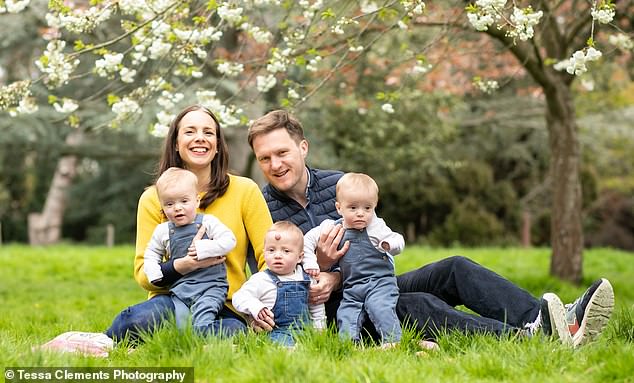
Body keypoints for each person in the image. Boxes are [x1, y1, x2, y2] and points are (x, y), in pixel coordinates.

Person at [247, 109, 615, 348]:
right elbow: (270, 278)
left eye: (282, 152)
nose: (275, 164)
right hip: (336, 316)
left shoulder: (343, 185)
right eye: (265, 158)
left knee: (453, 267)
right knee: (416, 305)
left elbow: (376, 239)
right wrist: (323, 271)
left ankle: (548, 318)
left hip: (374, 284)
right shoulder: (260, 205)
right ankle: (529, 340)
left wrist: (342, 270)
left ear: (303, 148)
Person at [106, 105, 273, 341]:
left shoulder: (244, 190)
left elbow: (268, 255)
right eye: (190, 132)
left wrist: (257, 305)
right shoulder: (153, 199)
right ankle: (96, 342)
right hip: (173, 300)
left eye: (208, 132)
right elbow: (144, 275)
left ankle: (187, 339)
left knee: (234, 332)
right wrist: (183, 265)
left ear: (217, 145)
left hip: (225, 304)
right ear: (175, 143)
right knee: (134, 321)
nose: (199, 139)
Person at [304, 173, 403, 347]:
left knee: (379, 307)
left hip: (379, 282)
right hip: (352, 287)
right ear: (339, 208)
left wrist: (389, 244)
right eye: (353, 208)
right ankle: (349, 346)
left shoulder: (376, 227)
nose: (360, 214)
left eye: (367, 208)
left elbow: (398, 239)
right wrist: (311, 263)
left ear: (374, 207)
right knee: (346, 315)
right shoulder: (331, 227)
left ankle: (392, 341)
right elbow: (307, 240)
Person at [143, 167, 237, 333]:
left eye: (184, 201)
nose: (177, 208)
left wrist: (203, 248)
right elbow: (151, 254)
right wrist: (154, 273)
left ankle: (205, 343)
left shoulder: (208, 222)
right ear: (162, 206)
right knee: (181, 326)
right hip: (181, 289)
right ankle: (189, 345)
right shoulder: (163, 231)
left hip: (211, 286)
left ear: (197, 200)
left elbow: (229, 241)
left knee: (202, 319)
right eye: (169, 204)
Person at [233, 221, 326, 347]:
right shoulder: (261, 279)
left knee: (312, 347)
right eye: (271, 250)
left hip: (305, 330)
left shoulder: (307, 278)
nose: (277, 255)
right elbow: (239, 297)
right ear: (264, 252)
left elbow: (316, 306)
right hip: (277, 331)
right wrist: (256, 307)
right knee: (282, 346)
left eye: (286, 251)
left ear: (300, 257)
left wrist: (320, 330)